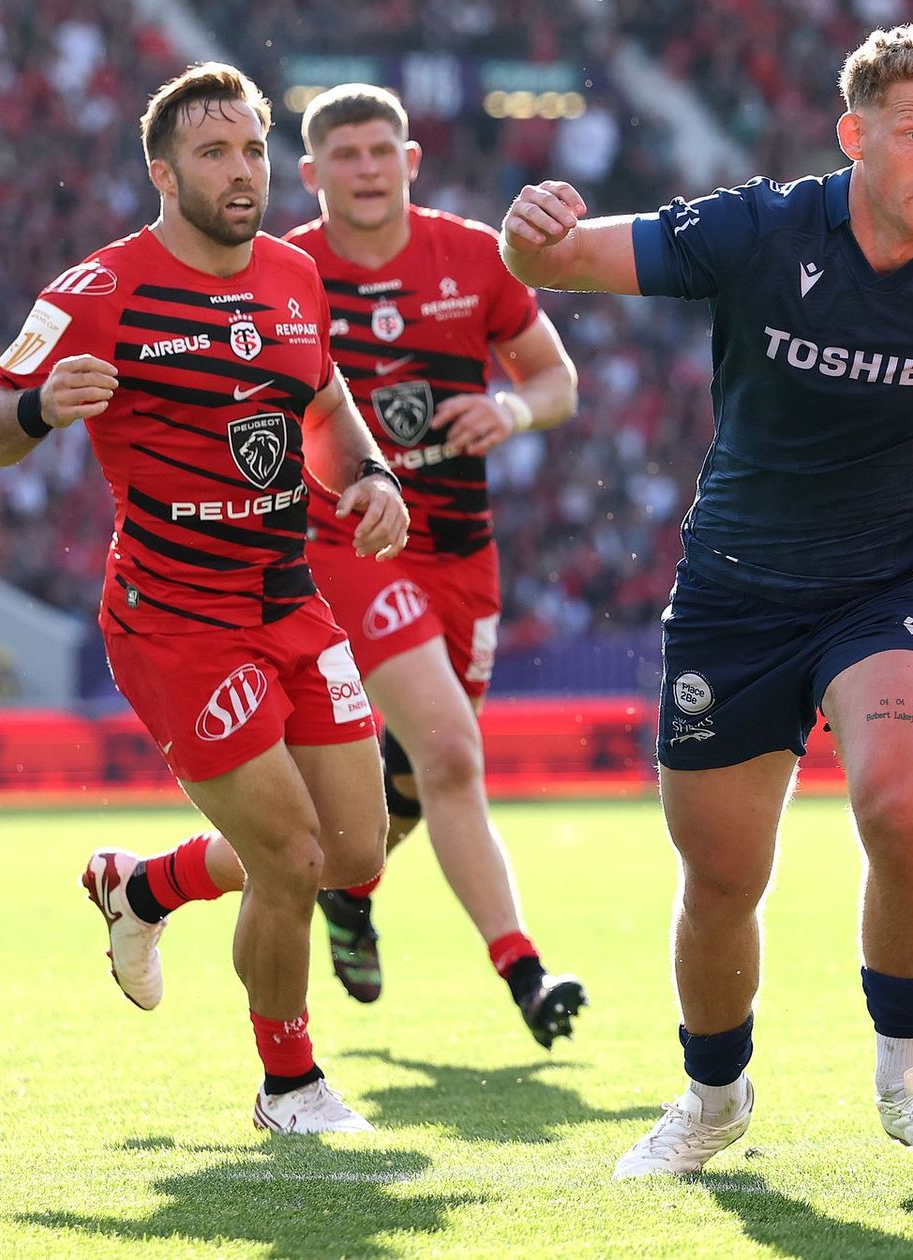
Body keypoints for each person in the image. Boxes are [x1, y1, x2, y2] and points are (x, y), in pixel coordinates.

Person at [495, 25, 913, 1179]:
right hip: (736, 593)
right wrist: (528, 235)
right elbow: (560, 263)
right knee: (724, 876)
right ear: (854, 136)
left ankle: (911, 1081)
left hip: (897, 583)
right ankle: (713, 1100)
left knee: (894, 803)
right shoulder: (760, 228)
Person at [0, 62, 409, 1133]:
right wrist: (35, 413)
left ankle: (144, 886)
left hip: (289, 599)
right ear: (163, 171)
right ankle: (289, 1085)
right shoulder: (99, 290)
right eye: (214, 151)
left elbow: (328, 406)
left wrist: (373, 476)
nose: (241, 169)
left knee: (355, 852)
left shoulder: (296, 275)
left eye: (252, 148)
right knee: (289, 861)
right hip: (175, 619)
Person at [285, 82, 587, 1047]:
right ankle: (526, 974)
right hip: (350, 542)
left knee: (416, 775)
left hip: (464, 550)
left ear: (411, 162)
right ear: (312, 173)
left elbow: (556, 382)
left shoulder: (471, 256)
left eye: (383, 152)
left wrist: (510, 411)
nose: (367, 170)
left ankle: (351, 890)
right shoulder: (280, 272)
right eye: (346, 156)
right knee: (454, 752)